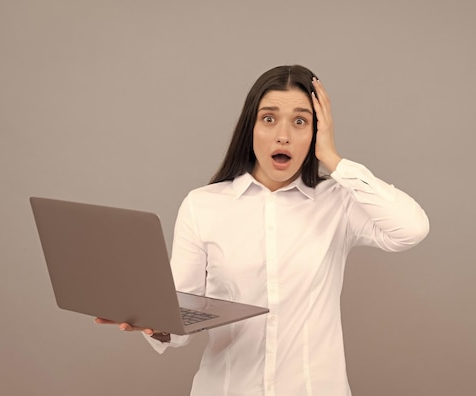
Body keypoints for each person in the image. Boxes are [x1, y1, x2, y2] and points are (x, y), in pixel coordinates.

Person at [96, 65, 429, 395]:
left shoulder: (338, 202)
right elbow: (182, 317)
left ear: (316, 131)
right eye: (269, 119)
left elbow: (411, 228)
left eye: (300, 121)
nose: (283, 135)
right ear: (250, 128)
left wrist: (332, 158)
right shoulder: (203, 206)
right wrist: (157, 325)